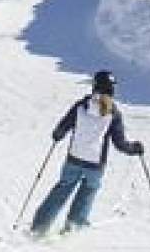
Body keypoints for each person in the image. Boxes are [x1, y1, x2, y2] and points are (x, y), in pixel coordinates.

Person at [30, 70, 143, 236]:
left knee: (61, 190)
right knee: (87, 193)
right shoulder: (113, 113)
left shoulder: (81, 106)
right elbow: (120, 144)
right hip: (95, 165)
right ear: (112, 90)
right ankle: (73, 228)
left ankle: (39, 227)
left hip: (73, 159)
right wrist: (134, 148)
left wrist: (58, 134)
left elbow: (63, 125)